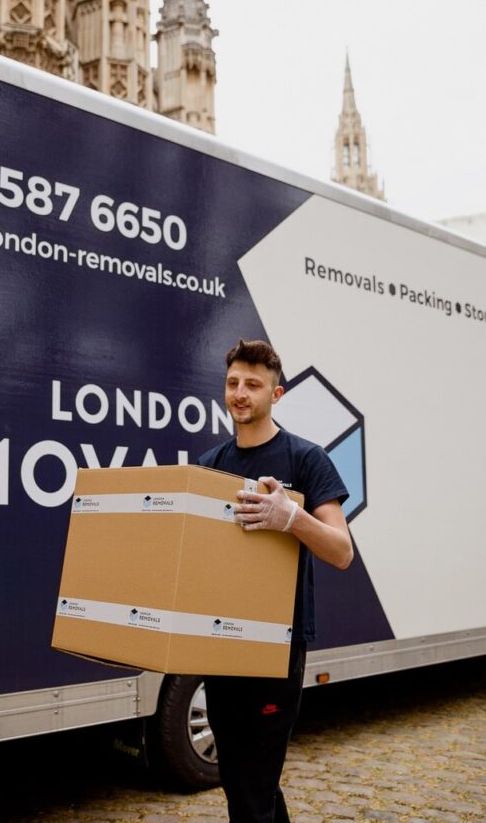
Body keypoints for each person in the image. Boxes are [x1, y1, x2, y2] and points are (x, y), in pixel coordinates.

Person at [197, 338, 353, 823]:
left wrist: (292, 518)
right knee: (242, 779)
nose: (240, 394)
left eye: (253, 385)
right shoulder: (212, 463)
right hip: (222, 640)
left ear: (277, 395)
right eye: (233, 383)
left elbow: (342, 552)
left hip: (277, 644)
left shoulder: (306, 460)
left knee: (254, 781)